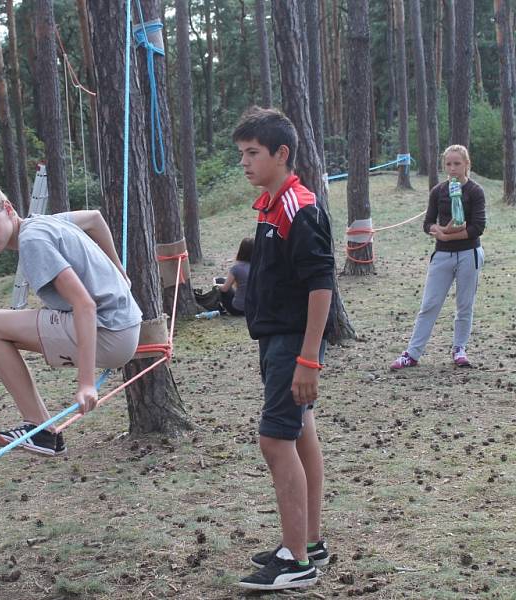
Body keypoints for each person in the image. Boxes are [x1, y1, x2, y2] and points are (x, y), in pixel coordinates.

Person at [0, 181, 142, 457]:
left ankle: (39, 428)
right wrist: (119, 270)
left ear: (8, 209)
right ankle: (46, 434)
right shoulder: (44, 223)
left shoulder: (32, 241)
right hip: (126, 325)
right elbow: (94, 219)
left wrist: (86, 383)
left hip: (111, 333)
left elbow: (85, 305)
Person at [233, 107, 334, 591]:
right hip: (276, 340)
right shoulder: (272, 203)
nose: (245, 163)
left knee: (275, 440)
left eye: (253, 153)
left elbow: (321, 285)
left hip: (291, 345)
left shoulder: (300, 207)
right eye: (242, 154)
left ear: (282, 153)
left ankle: (296, 562)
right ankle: (309, 541)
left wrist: (308, 358)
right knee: (299, 432)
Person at [390, 144, 486, 370]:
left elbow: (477, 227)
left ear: (466, 165)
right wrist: (438, 231)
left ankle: (459, 348)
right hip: (442, 256)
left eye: (457, 164)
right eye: (449, 164)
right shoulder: (438, 191)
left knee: (464, 305)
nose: (452, 169)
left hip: (468, 253)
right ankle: (412, 354)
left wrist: (447, 234)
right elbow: (427, 224)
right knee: (429, 304)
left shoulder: (475, 191)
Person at [215, 237, 253, 316]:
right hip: (253, 309)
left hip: (238, 309)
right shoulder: (257, 267)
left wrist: (216, 285)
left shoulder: (236, 268)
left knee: (219, 280)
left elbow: (225, 289)